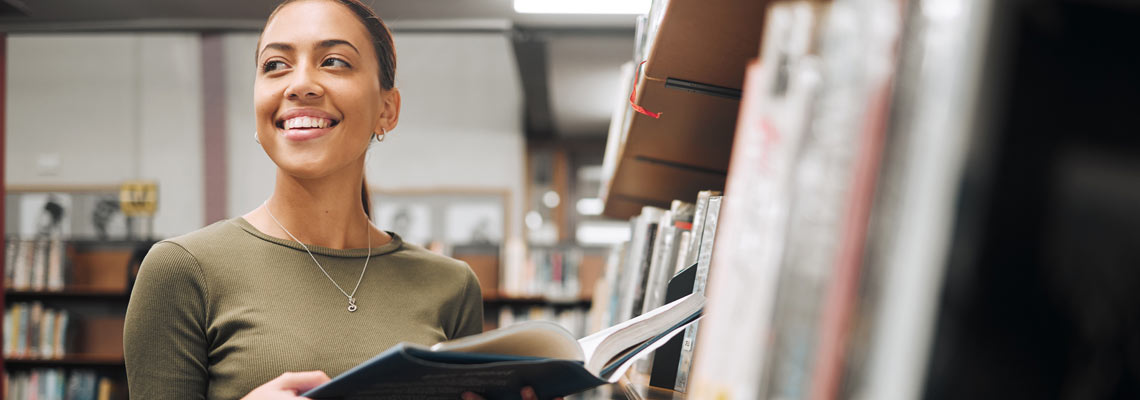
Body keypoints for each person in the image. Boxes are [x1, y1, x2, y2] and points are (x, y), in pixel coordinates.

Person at [123, 1, 554, 399]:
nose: (301, 84)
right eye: (275, 65)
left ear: (387, 109)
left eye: (334, 61)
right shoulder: (181, 271)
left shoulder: (452, 286)